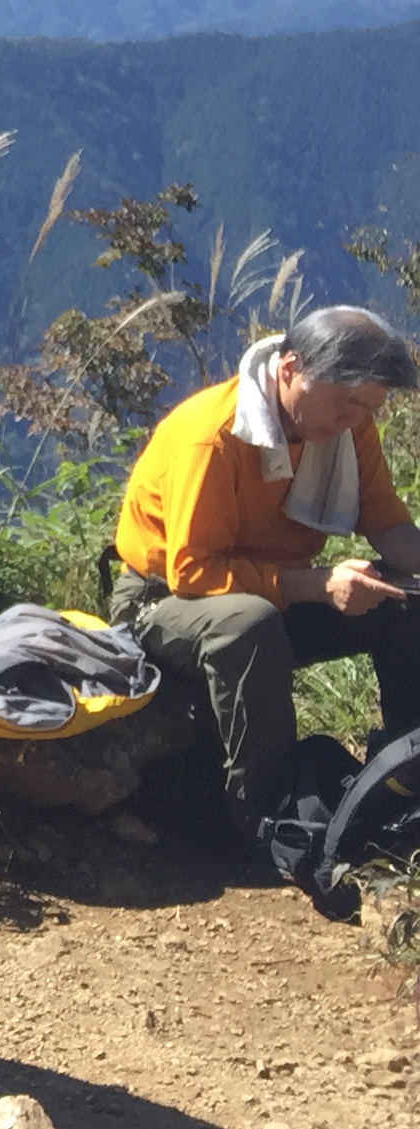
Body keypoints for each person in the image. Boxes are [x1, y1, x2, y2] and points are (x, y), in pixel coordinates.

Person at [111, 303, 420, 847]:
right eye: (345, 402)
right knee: (247, 622)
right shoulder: (214, 437)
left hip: (276, 584)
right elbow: (191, 572)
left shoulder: (346, 430)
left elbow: (387, 522)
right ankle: (264, 817)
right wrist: (314, 585)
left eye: (367, 408)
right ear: (290, 369)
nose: (352, 420)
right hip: (163, 602)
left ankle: (401, 782)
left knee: (404, 601)